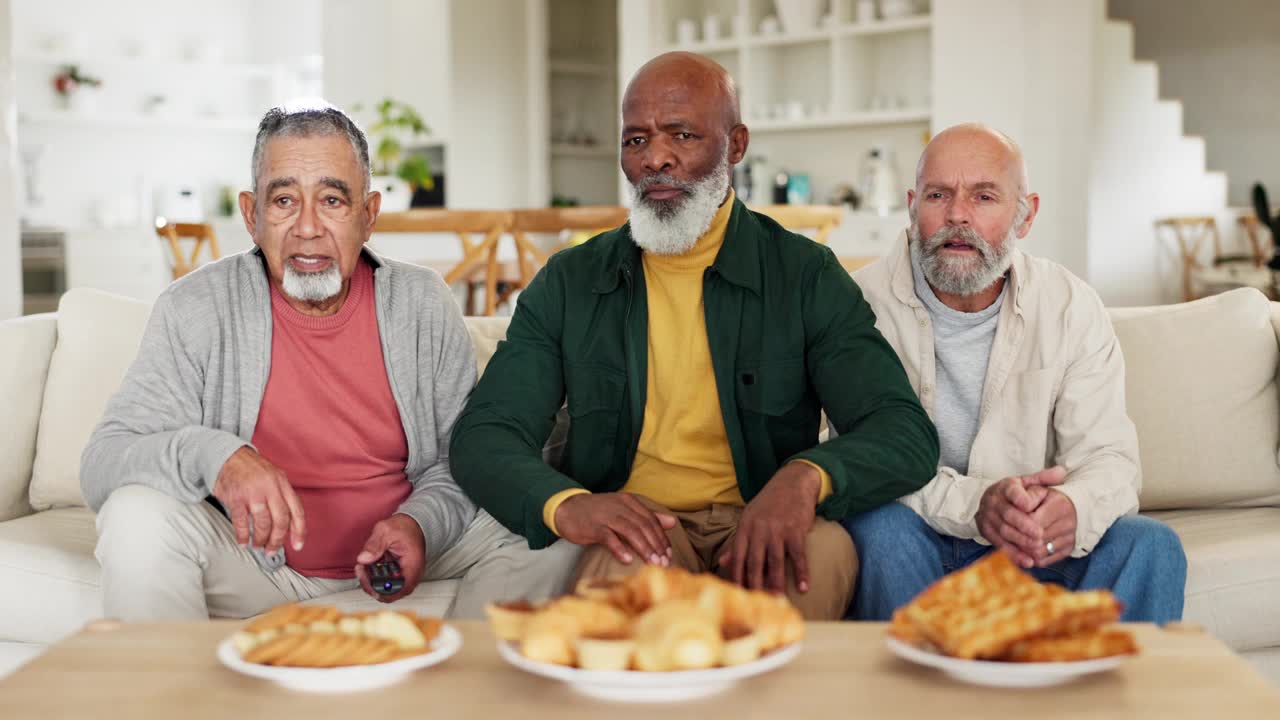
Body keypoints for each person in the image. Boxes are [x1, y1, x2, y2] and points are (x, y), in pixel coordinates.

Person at [449, 53, 938, 620]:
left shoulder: (804, 274)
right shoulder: (571, 280)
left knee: (816, 560)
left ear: (735, 145)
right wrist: (568, 505)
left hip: (764, 513)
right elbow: (485, 435)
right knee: (623, 605)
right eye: (636, 140)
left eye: (682, 134)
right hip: (638, 524)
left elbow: (904, 431)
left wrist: (805, 479)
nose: (656, 157)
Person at [81, 102, 579, 622]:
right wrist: (217, 456)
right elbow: (103, 462)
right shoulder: (196, 307)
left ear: (368, 215)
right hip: (256, 567)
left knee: (551, 527)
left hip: (411, 555)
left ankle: (464, 693)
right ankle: (166, 702)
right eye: (284, 200)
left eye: (333, 199)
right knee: (134, 514)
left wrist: (419, 524)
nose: (308, 227)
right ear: (252, 215)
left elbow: (462, 460)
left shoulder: (421, 301)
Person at [843, 123, 1187, 622]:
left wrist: (1071, 508)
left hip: (1029, 548)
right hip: (915, 534)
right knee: (879, 528)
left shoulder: (1070, 305)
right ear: (913, 207)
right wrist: (977, 505)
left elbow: (1110, 458)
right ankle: (922, 701)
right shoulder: (857, 303)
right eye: (939, 195)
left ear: (1026, 216)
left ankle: (1102, 702)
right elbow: (859, 462)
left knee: (1151, 545)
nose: (957, 215)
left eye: (984, 197)